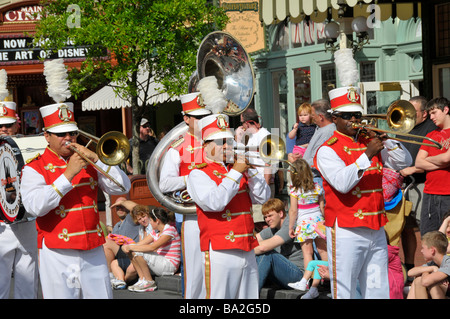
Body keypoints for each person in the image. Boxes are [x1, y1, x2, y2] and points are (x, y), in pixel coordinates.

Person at [20, 102, 131, 299]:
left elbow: (123, 187)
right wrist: (68, 175)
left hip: (94, 248)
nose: (68, 139)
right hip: (58, 251)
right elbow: (34, 206)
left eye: (72, 133)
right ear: (47, 136)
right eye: (61, 134)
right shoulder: (34, 167)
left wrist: (97, 159)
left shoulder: (88, 160)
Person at [314, 85, 412, 299]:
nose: (354, 120)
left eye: (357, 115)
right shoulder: (327, 149)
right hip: (346, 229)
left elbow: (405, 162)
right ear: (335, 119)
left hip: (376, 226)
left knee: (378, 290)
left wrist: (387, 140)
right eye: (347, 116)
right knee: (345, 290)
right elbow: (342, 183)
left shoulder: (373, 143)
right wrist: (367, 154)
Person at [186, 113, 271, 299]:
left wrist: (253, 172)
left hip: (247, 247)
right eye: (220, 142)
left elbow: (263, 197)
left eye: (228, 141)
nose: (226, 146)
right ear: (205, 145)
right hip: (219, 249)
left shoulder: (237, 170)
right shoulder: (198, 174)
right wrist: (236, 172)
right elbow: (215, 202)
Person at [158, 88, 211, 299]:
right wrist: (192, 179)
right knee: (195, 272)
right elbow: (165, 184)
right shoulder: (177, 147)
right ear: (186, 118)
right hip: (192, 215)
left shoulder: (219, 141)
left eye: (204, 116)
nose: (202, 121)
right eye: (197, 117)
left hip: (219, 211)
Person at [0, 101, 39, 299]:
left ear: (17, 125)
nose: (4, 129)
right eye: (0, 125)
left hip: (27, 223)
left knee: (28, 284)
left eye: (8, 124)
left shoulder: (31, 147)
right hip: (0, 225)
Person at [399, 96, 437, 272]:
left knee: (426, 229)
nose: (408, 115)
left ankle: (432, 266)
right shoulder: (403, 127)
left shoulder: (432, 129)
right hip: (403, 185)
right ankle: (409, 265)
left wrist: (414, 168)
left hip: (422, 184)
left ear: (424, 113)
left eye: (413, 112)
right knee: (406, 228)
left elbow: (434, 159)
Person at [123, 207, 181, 293]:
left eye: (151, 220)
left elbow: (152, 247)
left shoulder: (170, 230)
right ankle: (142, 279)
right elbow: (140, 244)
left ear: (157, 221)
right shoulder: (155, 232)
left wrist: (131, 247)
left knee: (137, 251)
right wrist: (127, 246)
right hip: (160, 262)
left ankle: (149, 282)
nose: (149, 222)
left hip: (169, 265)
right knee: (133, 251)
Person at [415, 97, 450, 237]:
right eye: (429, 114)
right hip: (430, 193)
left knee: (447, 238)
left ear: (445, 110)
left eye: (434, 112)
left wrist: (429, 160)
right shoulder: (431, 135)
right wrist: (442, 162)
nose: (431, 117)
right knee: (428, 237)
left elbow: (447, 157)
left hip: (448, 194)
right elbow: (419, 163)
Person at [235, 107, 275, 230]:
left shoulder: (266, 136)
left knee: (263, 222)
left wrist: (265, 187)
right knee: (254, 222)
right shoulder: (249, 136)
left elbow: (269, 164)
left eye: (242, 123)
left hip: (262, 183)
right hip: (252, 183)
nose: (242, 126)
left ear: (248, 123)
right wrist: (238, 139)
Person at [254, 198, 304, 291]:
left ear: (280, 214)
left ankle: (250, 295)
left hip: (297, 277)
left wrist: (245, 249)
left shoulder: (290, 225)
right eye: (265, 217)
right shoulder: (272, 229)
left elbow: (263, 247)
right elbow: (253, 240)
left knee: (267, 254)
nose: (267, 220)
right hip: (281, 275)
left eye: (270, 216)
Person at [287, 158, 327, 272]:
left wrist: (291, 226)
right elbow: (322, 206)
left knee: (307, 253)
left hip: (304, 223)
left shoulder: (295, 190)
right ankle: (328, 276)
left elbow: (293, 210)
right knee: (323, 250)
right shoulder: (317, 187)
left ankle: (309, 279)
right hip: (318, 220)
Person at [288, 99, 336, 187]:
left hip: (317, 178)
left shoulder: (328, 131)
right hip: (311, 177)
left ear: (321, 117)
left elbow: (319, 158)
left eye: (313, 115)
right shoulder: (319, 128)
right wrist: (301, 157)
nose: (312, 117)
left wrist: (299, 162)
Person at [104, 197, 140, 290]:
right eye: (117, 207)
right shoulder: (116, 226)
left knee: (106, 242)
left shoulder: (131, 219)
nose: (120, 209)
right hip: (121, 255)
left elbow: (137, 208)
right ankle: (113, 276)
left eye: (122, 206)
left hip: (132, 252)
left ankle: (110, 275)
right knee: (105, 243)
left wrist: (122, 202)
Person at [407, 230, 450, 299]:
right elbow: (410, 273)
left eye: (423, 248)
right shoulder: (433, 263)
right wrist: (431, 268)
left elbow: (425, 282)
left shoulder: (448, 262)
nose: (421, 251)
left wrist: (425, 272)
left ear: (432, 250)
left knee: (431, 283)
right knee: (418, 280)